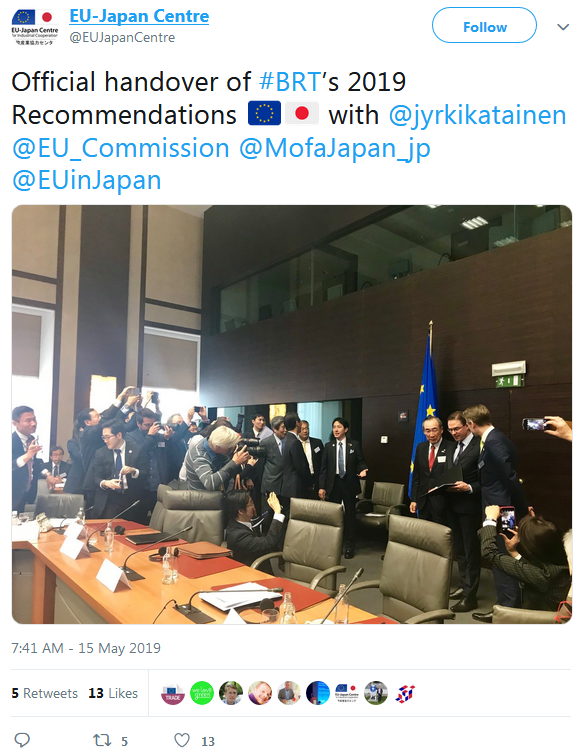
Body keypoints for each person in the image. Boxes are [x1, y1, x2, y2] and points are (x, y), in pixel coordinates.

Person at [463, 403, 527, 621]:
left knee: (501, 554)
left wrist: (522, 507)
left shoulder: (494, 441)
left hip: (503, 510)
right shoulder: (496, 437)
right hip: (501, 506)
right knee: (503, 553)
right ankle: (509, 606)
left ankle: (507, 609)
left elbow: (509, 476)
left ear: (471, 424)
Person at [479, 505, 570, 612]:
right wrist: (514, 552)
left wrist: (490, 519)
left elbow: (489, 553)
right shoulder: (563, 558)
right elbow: (532, 569)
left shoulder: (542, 576)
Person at [444, 411, 482, 613]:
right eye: (450, 430)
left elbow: (487, 479)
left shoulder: (479, 445)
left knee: (470, 550)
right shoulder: (452, 447)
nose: (453, 433)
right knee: (459, 550)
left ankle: (470, 596)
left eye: (456, 429)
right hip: (452, 505)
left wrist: (470, 487)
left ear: (467, 425)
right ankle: (463, 585)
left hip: (470, 506)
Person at [319, 417, 368, 559]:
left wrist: (364, 470)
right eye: (334, 426)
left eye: (339, 427)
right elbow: (323, 469)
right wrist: (321, 487)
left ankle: (350, 546)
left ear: (345, 429)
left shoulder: (354, 445)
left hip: (349, 484)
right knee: (334, 516)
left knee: (350, 516)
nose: (336, 429)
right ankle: (335, 546)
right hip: (333, 484)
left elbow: (361, 462)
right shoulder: (328, 446)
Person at [127, 409, 174, 524]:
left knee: (160, 521)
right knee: (140, 521)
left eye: (153, 424)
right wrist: (149, 436)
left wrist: (168, 438)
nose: (151, 427)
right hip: (142, 487)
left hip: (158, 485)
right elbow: (139, 453)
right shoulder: (130, 437)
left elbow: (169, 454)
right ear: (138, 424)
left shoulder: (159, 436)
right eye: (147, 425)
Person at [92, 421, 147, 519]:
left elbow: (145, 473)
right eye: (103, 437)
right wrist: (106, 483)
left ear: (119, 435)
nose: (105, 441)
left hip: (131, 497)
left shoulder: (136, 449)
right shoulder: (101, 453)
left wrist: (133, 471)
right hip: (110, 497)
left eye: (108, 437)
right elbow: (96, 477)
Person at [410, 416, 454, 525]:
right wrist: (414, 499)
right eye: (427, 430)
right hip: (423, 501)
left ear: (441, 430)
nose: (431, 434)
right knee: (424, 531)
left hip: (443, 503)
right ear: (423, 431)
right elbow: (416, 476)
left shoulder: (451, 447)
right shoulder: (421, 447)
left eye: (434, 430)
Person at [225, 491, 285, 567]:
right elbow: (269, 542)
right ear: (241, 511)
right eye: (251, 503)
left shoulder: (241, 521)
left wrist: (275, 507)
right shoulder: (237, 536)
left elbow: (261, 519)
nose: (253, 506)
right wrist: (277, 512)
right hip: (251, 571)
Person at [184, 426, 251, 491]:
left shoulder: (212, 443)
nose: (231, 450)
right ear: (218, 447)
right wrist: (234, 462)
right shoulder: (199, 456)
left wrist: (240, 461)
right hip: (202, 495)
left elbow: (228, 468)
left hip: (218, 492)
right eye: (229, 448)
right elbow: (210, 483)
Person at [12, 405, 45, 514]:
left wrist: (47, 474)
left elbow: (33, 463)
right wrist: (28, 455)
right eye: (28, 420)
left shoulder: (31, 439)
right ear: (15, 423)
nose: (33, 423)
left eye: (34, 419)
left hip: (26, 491)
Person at [280, 412, 311, 513]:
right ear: (297, 423)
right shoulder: (295, 442)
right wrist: (310, 482)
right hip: (296, 487)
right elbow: (301, 466)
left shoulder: (285, 439)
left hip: (286, 486)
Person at [298, 420, 324, 497]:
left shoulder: (317, 443)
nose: (305, 431)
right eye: (302, 429)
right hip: (300, 480)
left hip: (315, 479)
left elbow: (323, 462)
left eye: (307, 428)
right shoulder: (295, 444)